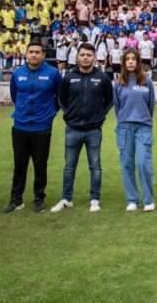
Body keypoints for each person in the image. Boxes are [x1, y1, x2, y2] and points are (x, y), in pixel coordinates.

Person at [51, 43, 113, 213]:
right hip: (72, 128)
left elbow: (109, 100)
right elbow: (61, 99)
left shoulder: (102, 78)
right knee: (69, 166)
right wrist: (69, 114)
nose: (86, 58)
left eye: (89, 55)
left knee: (95, 166)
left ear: (94, 57)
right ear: (77, 57)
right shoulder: (69, 77)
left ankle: (95, 199)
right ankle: (66, 198)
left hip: (93, 130)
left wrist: (100, 115)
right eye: (83, 55)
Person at [4, 39, 62, 213]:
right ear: (26, 54)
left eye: (37, 52)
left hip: (42, 127)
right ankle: (16, 199)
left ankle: (39, 197)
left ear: (43, 55)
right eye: (31, 52)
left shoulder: (53, 73)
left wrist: (49, 114)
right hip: (20, 126)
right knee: (19, 165)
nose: (34, 55)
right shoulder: (17, 73)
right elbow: (15, 96)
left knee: (40, 165)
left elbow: (59, 98)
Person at [113, 48, 156, 212]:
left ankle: (148, 200)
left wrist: (145, 120)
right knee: (127, 164)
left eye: (133, 59)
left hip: (143, 127)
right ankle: (132, 200)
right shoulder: (118, 83)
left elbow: (150, 106)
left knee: (143, 163)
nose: (130, 61)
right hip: (124, 128)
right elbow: (117, 107)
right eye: (127, 59)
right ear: (123, 62)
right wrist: (124, 120)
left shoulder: (147, 82)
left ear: (138, 62)